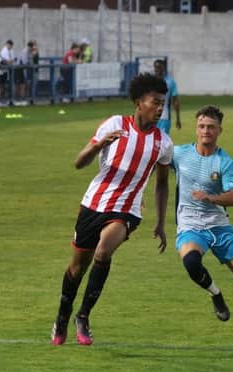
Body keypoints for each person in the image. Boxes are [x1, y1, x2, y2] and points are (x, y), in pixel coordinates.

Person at [50, 73, 174, 346]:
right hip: (94, 205)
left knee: (104, 250)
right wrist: (100, 144)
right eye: (155, 102)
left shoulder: (163, 143)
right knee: (76, 268)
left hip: (127, 210)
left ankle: (83, 315)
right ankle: (63, 314)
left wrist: (162, 223)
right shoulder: (115, 124)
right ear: (139, 102)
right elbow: (79, 163)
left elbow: (162, 185)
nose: (159, 108)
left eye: (162, 103)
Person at [171, 105, 233, 333]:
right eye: (202, 126)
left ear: (219, 131)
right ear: (196, 129)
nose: (206, 131)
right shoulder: (179, 154)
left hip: (219, 225)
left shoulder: (225, 162)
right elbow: (152, 164)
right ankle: (215, 293)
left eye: (211, 127)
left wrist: (210, 197)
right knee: (191, 262)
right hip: (190, 224)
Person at [153, 59, 181, 135]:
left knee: (162, 140)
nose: (157, 69)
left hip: (164, 117)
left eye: (159, 67)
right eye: (155, 67)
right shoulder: (150, 81)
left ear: (163, 68)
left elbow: (175, 101)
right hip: (150, 116)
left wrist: (178, 119)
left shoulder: (170, 82)